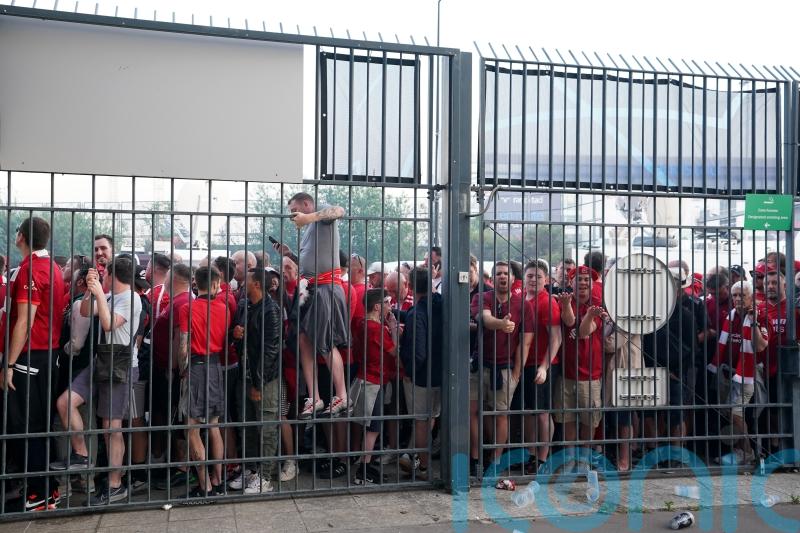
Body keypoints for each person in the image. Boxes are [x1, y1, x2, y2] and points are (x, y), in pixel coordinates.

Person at [53, 257, 141, 505]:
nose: (103, 278)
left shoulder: (131, 298)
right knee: (65, 402)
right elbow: (83, 310)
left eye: (105, 275)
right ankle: (80, 453)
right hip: (102, 358)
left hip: (121, 362)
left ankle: (115, 485)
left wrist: (100, 293)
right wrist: (93, 292)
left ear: (113, 275)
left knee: (111, 427)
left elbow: (108, 323)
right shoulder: (110, 295)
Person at [0, 217, 66, 511]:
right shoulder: (51, 267)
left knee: (24, 424)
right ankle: (47, 491)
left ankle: (38, 492)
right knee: (37, 424)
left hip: (30, 355)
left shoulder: (31, 270)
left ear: (21, 237)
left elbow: (24, 320)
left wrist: (9, 363)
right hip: (46, 354)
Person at [275, 192, 350, 419]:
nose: (293, 216)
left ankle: (342, 396)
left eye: (295, 210)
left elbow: (339, 210)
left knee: (325, 342)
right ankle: (314, 397)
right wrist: (290, 255)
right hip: (311, 288)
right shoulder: (310, 227)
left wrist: (309, 218)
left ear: (306, 204)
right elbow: (311, 264)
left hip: (325, 288)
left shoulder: (321, 215)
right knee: (303, 340)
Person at [469, 262, 533, 466]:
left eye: (506, 273)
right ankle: (475, 457)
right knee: (472, 412)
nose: (503, 277)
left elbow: (526, 339)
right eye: (498, 274)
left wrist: (517, 371)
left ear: (513, 278)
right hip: (479, 366)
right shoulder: (482, 297)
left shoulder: (523, 305)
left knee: (500, 415)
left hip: (505, 368)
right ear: (492, 278)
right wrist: (502, 324)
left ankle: (496, 461)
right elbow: (484, 318)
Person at [231, 267, 283, 494]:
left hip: (263, 379)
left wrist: (258, 384)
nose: (243, 284)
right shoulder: (244, 305)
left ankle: (265, 475)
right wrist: (235, 334)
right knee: (248, 425)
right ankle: (251, 470)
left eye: (248, 281)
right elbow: (237, 337)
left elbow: (270, 351)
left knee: (266, 426)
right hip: (246, 374)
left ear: (258, 284)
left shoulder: (271, 310)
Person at [178, 266, 229, 497]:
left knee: (192, 429)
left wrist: (182, 369)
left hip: (196, 368)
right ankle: (218, 479)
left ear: (195, 283)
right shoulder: (225, 308)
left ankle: (204, 485)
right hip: (216, 367)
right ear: (217, 284)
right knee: (214, 426)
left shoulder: (188, 308)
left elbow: (183, 346)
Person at [554, 266, 605, 473]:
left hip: (591, 374)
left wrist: (591, 315)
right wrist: (566, 305)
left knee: (588, 420)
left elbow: (583, 331)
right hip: (566, 372)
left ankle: (584, 458)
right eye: (579, 279)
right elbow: (569, 322)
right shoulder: (565, 301)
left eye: (586, 280)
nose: (583, 283)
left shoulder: (598, 305)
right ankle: (570, 459)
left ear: (592, 284)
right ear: (570, 283)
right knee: (567, 419)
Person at [514, 259, 561, 474]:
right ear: (524, 278)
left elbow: (556, 339)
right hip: (522, 363)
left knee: (542, 413)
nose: (533, 280)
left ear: (547, 280)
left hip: (542, 365)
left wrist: (544, 367)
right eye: (530, 276)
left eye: (538, 276)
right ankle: (531, 454)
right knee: (529, 412)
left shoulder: (547, 302)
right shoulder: (520, 300)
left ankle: (543, 458)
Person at [715, 281, 768, 465]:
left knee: (735, 412)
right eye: (735, 295)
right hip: (729, 373)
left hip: (748, 374)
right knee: (730, 413)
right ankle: (739, 450)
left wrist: (753, 322)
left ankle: (747, 452)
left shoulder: (759, 316)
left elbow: (761, 345)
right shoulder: (730, 316)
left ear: (751, 297)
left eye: (742, 295)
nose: (737, 299)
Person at [351, 288, 399, 484]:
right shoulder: (376, 329)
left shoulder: (363, 324)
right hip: (374, 380)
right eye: (387, 302)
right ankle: (364, 469)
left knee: (370, 425)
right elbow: (394, 351)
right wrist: (394, 330)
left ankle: (365, 464)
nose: (390, 306)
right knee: (374, 427)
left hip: (367, 378)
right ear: (378, 306)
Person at [399, 269, 443, 480]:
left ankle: (424, 467)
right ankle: (415, 458)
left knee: (421, 421)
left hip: (422, 376)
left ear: (409, 286)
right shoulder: (442, 303)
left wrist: (409, 371)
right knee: (431, 417)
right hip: (441, 374)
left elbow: (419, 352)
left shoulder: (417, 313)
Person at [758, 270, 799, 456]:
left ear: (784, 285)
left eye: (775, 283)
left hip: (789, 370)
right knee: (768, 410)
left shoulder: (793, 309)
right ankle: (772, 447)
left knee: (789, 409)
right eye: (768, 283)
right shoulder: (761, 309)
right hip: (765, 368)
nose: (771, 287)